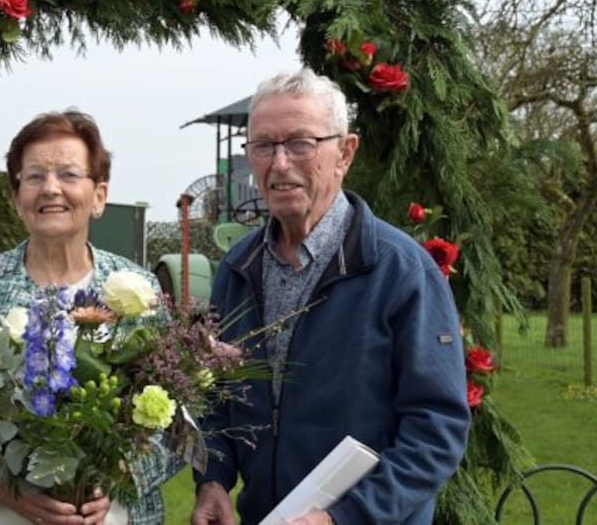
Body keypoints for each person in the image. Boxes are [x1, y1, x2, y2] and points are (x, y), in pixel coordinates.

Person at [191, 68, 470, 525]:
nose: (280, 163)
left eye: (301, 143)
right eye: (263, 145)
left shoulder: (402, 271)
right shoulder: (238, 268)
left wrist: (343, 517)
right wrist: (213, 478)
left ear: (345, 153)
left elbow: (437, 429)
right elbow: (215, 396)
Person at [0, 111, 180, 525]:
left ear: (99, 196)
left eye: (69, 174)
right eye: (34, 176)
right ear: (17, 196)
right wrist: (1, 487)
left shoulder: (136, 290)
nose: (51, 188)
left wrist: (122, 475)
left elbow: (175, 421)